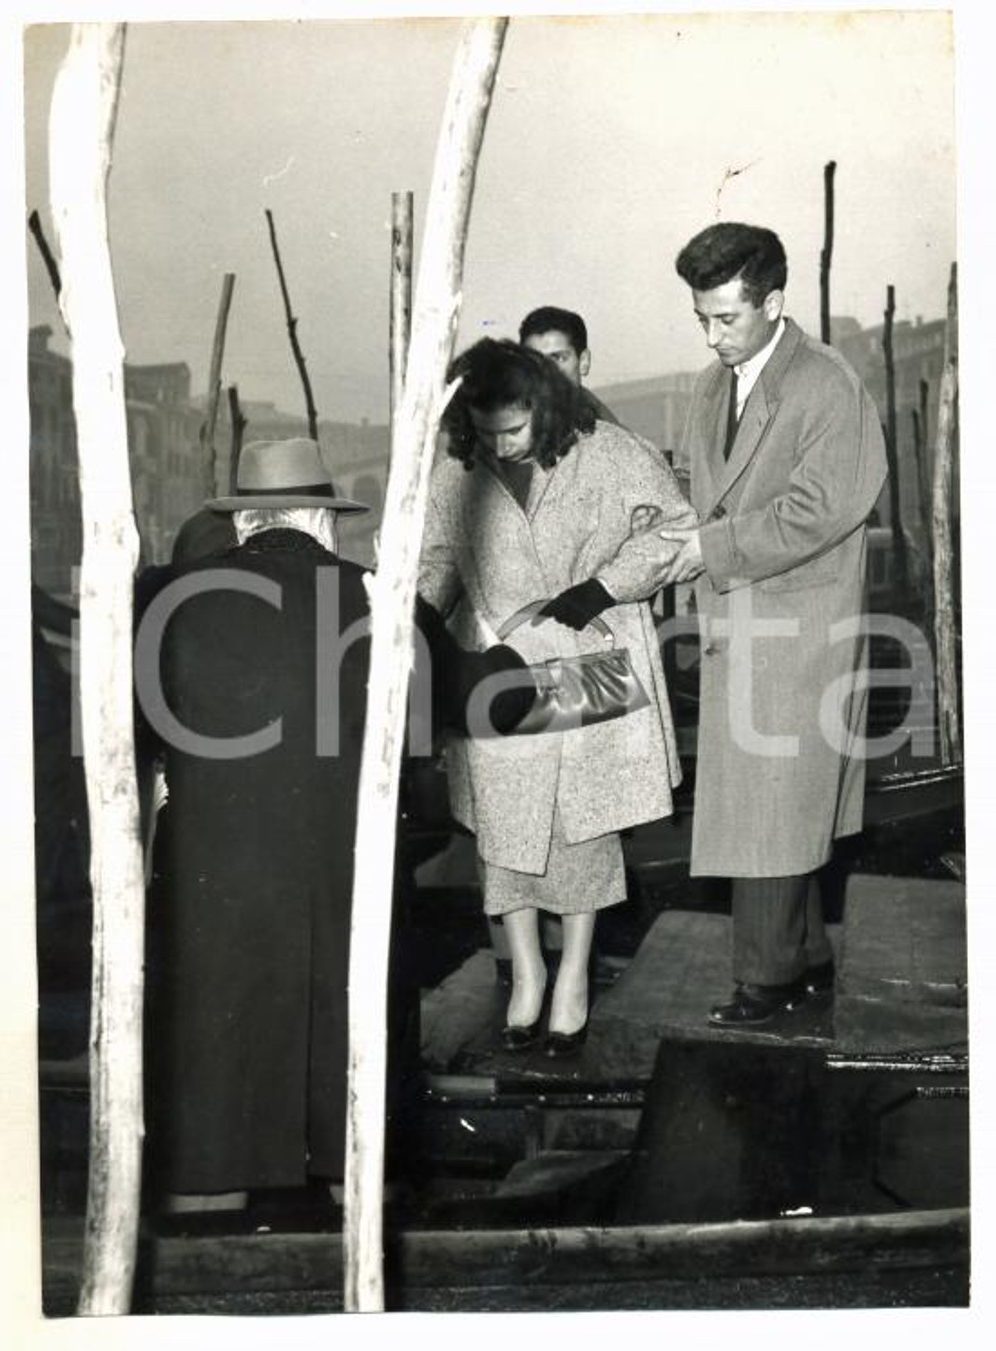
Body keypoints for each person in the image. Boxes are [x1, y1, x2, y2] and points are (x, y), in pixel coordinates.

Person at [135, 436, 533, 1211]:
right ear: (323, 519)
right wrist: (519, 653)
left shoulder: (164, 601)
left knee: (209, 1131)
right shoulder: (376, 601)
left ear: (242, 521)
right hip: (344, 906)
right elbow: (490, 700)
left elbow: (128, 735)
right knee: (354, 1130)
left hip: (206, 913)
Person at [418, 338, 695, 1056]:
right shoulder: (458, 469)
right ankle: (528, 972)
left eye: (512, 429)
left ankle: (573, 974)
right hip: (495, 669)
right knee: (504, 828)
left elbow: (675, 526)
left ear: (542, 407)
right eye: (484, 432)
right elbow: (440, 558)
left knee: (582, 825)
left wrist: (602, 586)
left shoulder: (606, 451)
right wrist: (416, 612)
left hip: (588, 659)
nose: (499, 445)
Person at [644, 222, 887, 1027]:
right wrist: (672, 526)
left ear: (774, 303)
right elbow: (706, 486)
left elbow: (820, 509)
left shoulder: (827, 384)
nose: (712, 336)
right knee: (776, 803)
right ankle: (807, 956)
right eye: (702, 318)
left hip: (799, 628)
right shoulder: (715, 384)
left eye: (726, 318)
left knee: (773, 806)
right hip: (741, 623)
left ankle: (766, 978)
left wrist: (707, 548)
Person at [520, 305, 620, 425]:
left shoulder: (606, 432)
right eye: (534, 360)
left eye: (558, 358)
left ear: (583, 362)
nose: (545, 371)